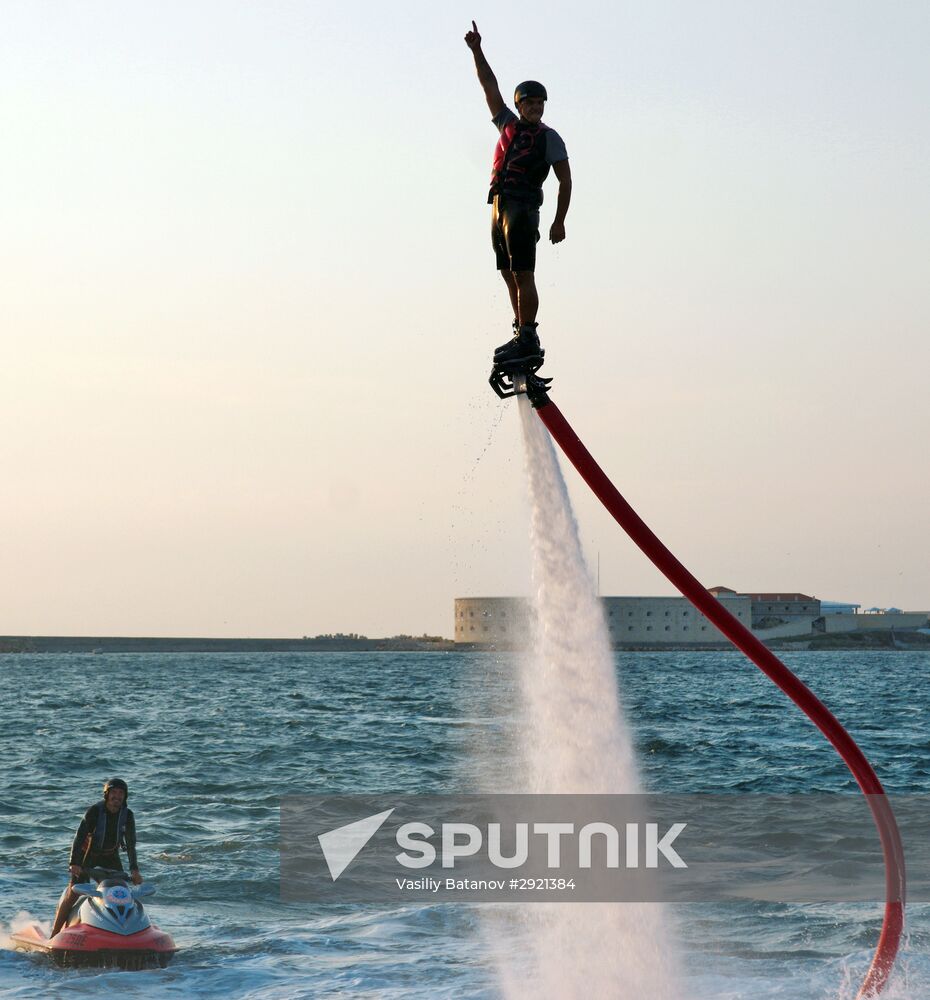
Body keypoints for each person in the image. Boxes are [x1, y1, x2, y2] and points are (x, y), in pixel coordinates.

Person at [464, 20, 572, 368]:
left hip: (524, 208)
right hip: (500, 205)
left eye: (541, 103)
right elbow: (489, 85)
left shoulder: (549, 137)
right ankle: (519, 331)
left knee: (524, 272)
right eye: (531, 103)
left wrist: (559, 221)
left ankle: (528, 335)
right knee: (507, 272)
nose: (537, 108)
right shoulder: (507, 124)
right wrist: (477, 51)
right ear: (520, 105)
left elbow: (565, 181)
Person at [50, 777, 143, 936]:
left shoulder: (127, 815)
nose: (117, 796)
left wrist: (134, 870)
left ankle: (120, 930)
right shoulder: (95, 811)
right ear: (107, 794)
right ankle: (55, 933)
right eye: (114, 792)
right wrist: (74, 863)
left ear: (125, 796)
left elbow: (131, 844)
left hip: (111, 856)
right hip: (88, 855)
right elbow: (79, 837)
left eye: (121, 793)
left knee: (120, 893)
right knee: (74, 891)